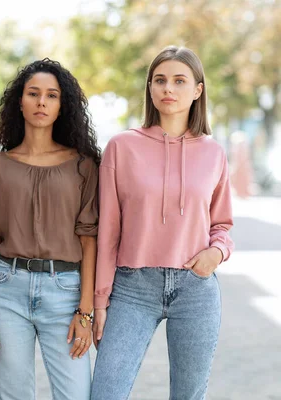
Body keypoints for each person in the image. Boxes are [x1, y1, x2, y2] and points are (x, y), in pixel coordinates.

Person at [91, 46, 235, 400]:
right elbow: (107, 230)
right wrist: (99, 301)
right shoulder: (122, 147)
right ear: (150, 88)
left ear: (198, 90)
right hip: (132, 288)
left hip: (195, 288)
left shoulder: (213, 152)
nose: (168, 89)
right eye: (160, 80)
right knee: (106, 392)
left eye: (179, 80)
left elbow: (223, 225)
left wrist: (216, 254)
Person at [0, 58, 101, 400]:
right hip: (6, 291)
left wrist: (84, 312)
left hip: (66, 291)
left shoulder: (83, 166)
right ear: (19, 102)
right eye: (33, 93)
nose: (42, 102)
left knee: (75, 394)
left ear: (62, 106)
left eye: (52, 95)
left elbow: (90, 238)